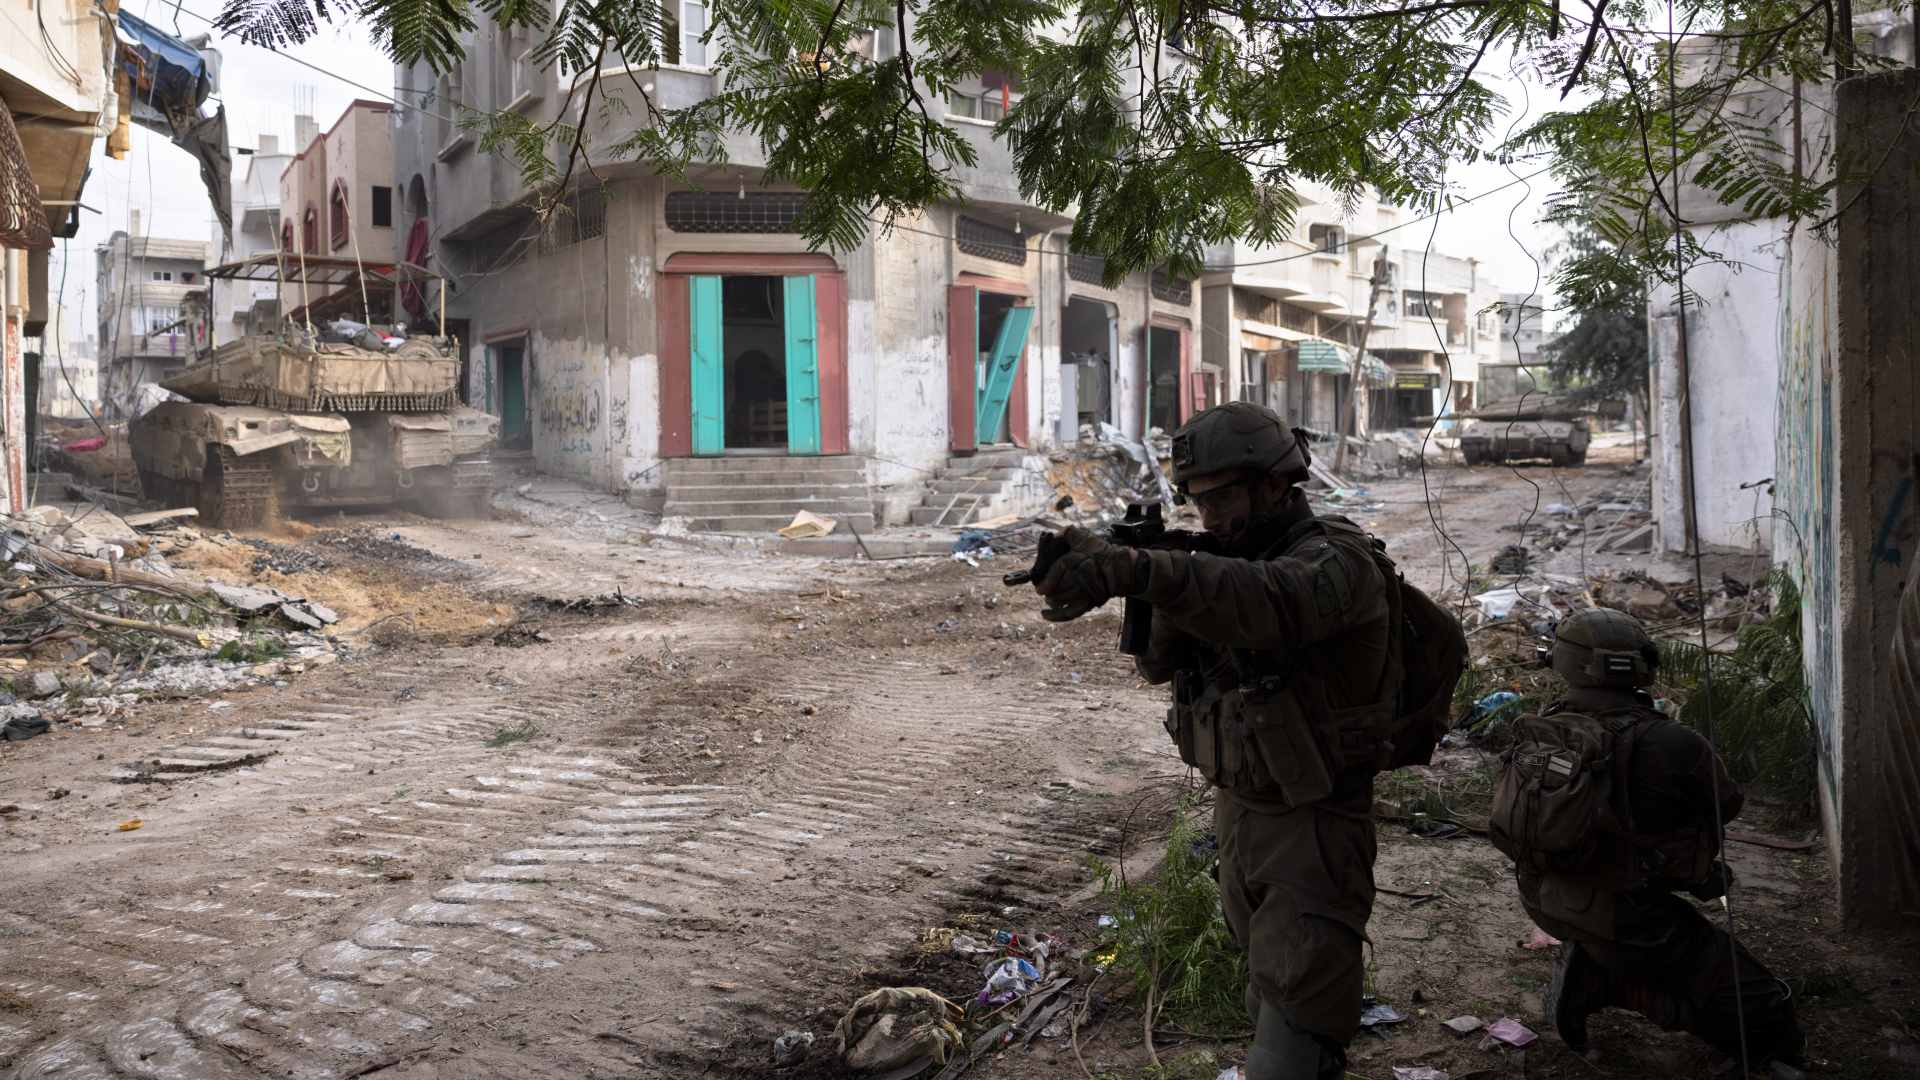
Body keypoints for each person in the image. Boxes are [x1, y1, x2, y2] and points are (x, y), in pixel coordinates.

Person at [1029, 401, 1397, 1080]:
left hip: (1314, 821)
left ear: (1276, 483)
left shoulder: (1336, 561)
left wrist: (1141, 571)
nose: (1212, 517)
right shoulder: (1223, 564)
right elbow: (1159, 666)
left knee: (1298, 1033)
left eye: (1225, 496)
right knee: (1269, 984)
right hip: (1242, 811)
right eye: (1200, 502)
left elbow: (1270, 603)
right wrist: (1150, 586)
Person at [1498, 608, 1805, 1068]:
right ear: (1641, 665)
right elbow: (1729, 803)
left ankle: (1600, 971)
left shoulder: (1547, 726)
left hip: (1543, 896)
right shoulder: (1672, 741)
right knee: (1768, 1013)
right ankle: (1615, 982)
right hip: (1629, 914)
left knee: (1676, 957)